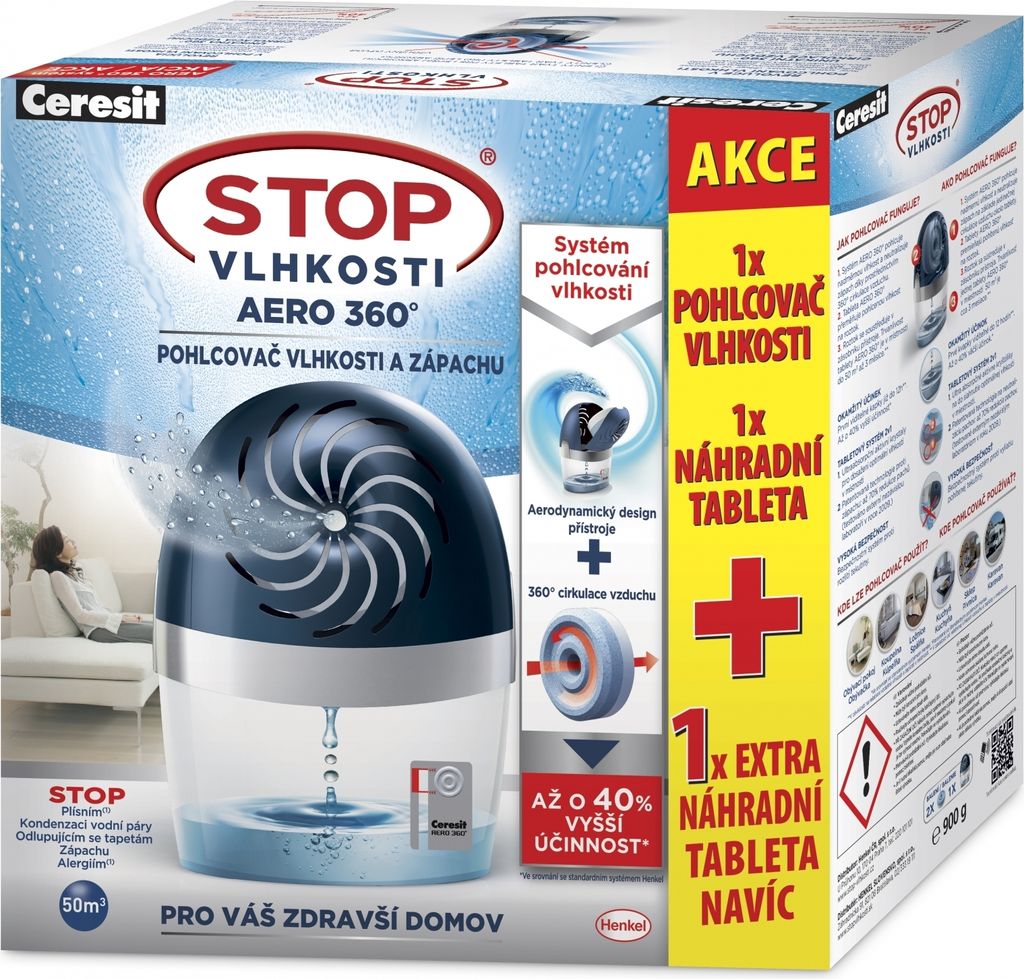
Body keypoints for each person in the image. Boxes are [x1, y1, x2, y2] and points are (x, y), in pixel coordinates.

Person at [29, 525, 153, 644]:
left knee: (160, 626)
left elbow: (99, 608)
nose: (73, 542)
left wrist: (121, 617)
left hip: (107, 624)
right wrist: (119, 619)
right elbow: (80, 615)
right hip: (98, 629)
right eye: (67, 541)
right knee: (159, 633)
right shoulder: (58, 577)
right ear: (57, 553)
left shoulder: (75, 573)